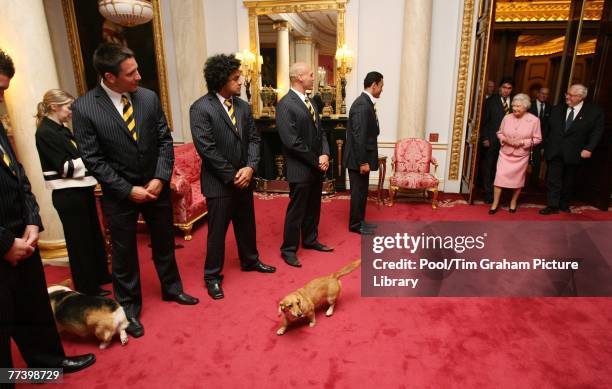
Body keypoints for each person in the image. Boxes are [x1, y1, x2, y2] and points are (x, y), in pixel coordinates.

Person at [72, 43, 198, 339]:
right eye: (131, 73)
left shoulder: (148, 98)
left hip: (155, 188)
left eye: (137, 69)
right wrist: (128, 189)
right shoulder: (85, 108)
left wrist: (159, 176)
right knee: (125, 252)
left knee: (164, 242)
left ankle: (172, 289)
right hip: (120, 195)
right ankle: (128, 306)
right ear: (109, 77)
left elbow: (165, 141)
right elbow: (93, 160)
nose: (139, 76)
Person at [0, 49, 95, 385]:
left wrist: (31, 221)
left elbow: (20, 178)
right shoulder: (46, 132)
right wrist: (4, 243)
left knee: (34, 309)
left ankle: (49, 363)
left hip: (21, 235)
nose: (1, 98)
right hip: (3, 244)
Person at [190, 54, 276, 300]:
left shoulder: (243, 106)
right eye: (235, 79)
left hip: (244, 179)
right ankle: (212, 276)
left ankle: (250, 260)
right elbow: (206, 148)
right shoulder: (200, 108)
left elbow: (254, 140)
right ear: (220, 81)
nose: (240, 83)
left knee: (247, 224)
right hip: (219, 183)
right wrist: (232, 175)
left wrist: (250, 168)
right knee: (217, 233)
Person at [34, 89, 112, 297]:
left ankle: (100, 276)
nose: (72, 112)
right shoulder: (45, 132)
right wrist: (92, 156)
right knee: (79, 243)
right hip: (68, 196)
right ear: (54, 106)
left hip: (81, 190)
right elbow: (66, 168)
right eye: (68, 107)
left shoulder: (61, 129)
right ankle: (87, 287)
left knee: (93, 236)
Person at [277, 62, 332, 268]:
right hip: (300, 167)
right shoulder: (285, 104)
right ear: (298, 77)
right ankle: (288, 249)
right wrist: (315, 160)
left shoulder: (312, 101)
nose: (313, 77)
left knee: (313, 207)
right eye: (310, 74)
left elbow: (321, 132)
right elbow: (291, 141)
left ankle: (310, 240)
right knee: (297, 210)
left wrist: (325, 153)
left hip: (316, 166)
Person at [539, 84, 604, 215]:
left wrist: (589, 148)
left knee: (569, 180)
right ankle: (552, 205)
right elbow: (547, 129)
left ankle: (564, 204)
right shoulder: (557, 109)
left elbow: (597, 132)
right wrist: (543, 146)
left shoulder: (594, 112)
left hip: (575, 152)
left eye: (571, 95)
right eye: (567, 94)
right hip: (555, 149)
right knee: (553, 180)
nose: (567, 97)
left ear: (581, 97)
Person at [488, 93, 542, 214]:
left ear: (526, 107)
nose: (515, 109)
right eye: (514, 106)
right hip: (505, 153)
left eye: (519, 106)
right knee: (499, 178)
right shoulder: (507, 118)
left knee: (517, 181)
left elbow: (538, 139)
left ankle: (513, 202)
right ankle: (495, 203)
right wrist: (506, 139)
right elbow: (500, 133)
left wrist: (523, 142)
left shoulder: (534, 120)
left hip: (521, 156)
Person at [345, 71, 384, 235]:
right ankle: (355, 225)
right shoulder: (362, 105)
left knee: (362, 193)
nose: (382, 89)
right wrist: (362, 162)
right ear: (374, 85)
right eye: (381, 86)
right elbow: (358, 137)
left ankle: (360, 222)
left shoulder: (367, 102)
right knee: (358, 193)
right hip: (358, 160)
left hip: (361, 158)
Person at [480, 77, 514, 203]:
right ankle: (489, 194)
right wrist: (485, 138)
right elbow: (485, 121)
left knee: (503, 169)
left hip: (509, 142)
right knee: (489, 167)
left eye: (509, 88)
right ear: (500, 88)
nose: (506, 90)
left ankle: (501, 195)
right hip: (492, 140)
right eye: (504, 87)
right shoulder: (491, 101)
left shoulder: (516, 102)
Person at [527, 87, 551, 186]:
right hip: (526, 139)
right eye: (542, 93)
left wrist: (544, 144)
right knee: (522, 163)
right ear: (538, 94)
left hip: (539, 142)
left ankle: (532, 185)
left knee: (536, 164)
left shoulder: (550, 108)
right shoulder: (529, 105)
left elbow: (548, 127)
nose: (543, 95)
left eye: (546, 94)